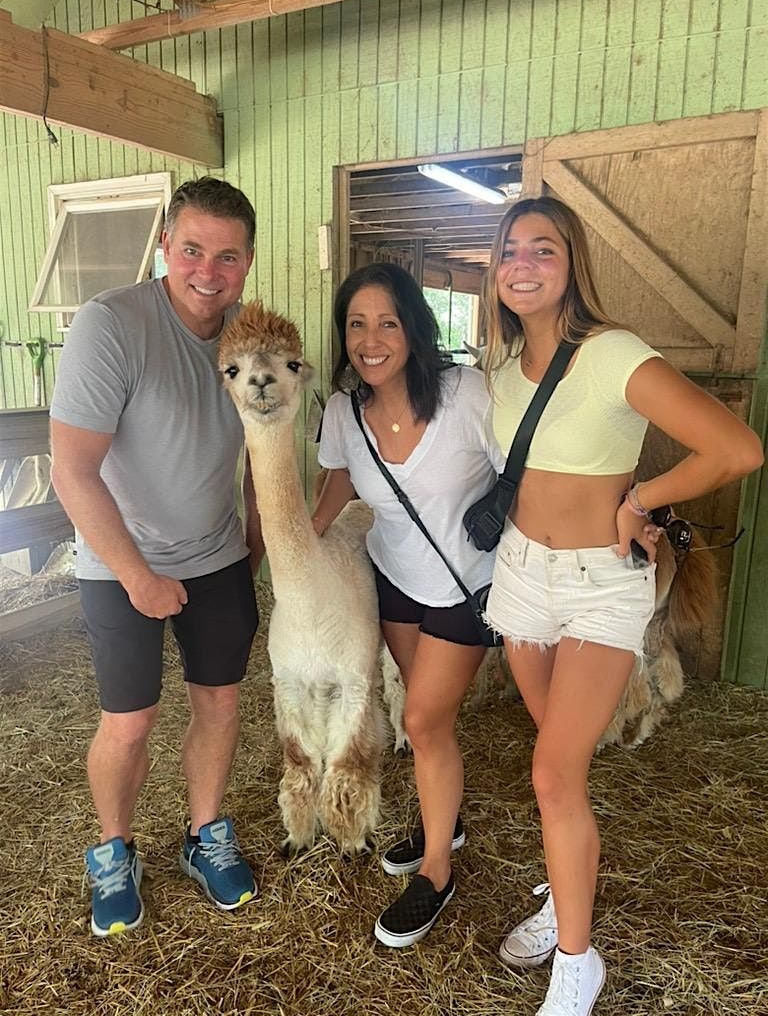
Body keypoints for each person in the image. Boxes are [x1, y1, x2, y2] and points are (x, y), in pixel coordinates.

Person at [481, 196, 763, 1015]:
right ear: (494, 272)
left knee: (552, 771)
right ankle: (565, 900)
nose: (523, 265)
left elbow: (737, 447)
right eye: (509, 251)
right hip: (521, 576)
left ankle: (578, 962)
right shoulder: (498, 372)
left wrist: (642, 497)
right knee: (555, 769)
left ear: (573, 267)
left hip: (599, 583)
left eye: (544, 249)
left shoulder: (612, 354)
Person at [50, 177, 265, 937]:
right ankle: (113, 849)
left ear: (247, 262)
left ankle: (205, 833)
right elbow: (70, 468)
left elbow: (260, 446)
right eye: (194, 249)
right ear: (166, 246)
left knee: (220, 703)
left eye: (228, 255)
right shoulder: (112, 325)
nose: (209, 270)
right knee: (130, 720)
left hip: (216, 555)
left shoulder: (251, 338)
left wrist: (258, 543)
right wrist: (138, 576)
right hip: (121, 561)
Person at [311, 262, 504, 947]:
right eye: (356, 324)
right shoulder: (343, 411)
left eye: (386, 322)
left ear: (414, 329)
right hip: (394, 580)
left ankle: (436, 872)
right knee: (423, 722)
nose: (370, 339)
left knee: (423, 719)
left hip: (466, 583)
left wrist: (510, 509)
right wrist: (302, 540)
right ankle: (440, 818)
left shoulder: (468, 394)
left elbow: (526, 464)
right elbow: (336, 482)